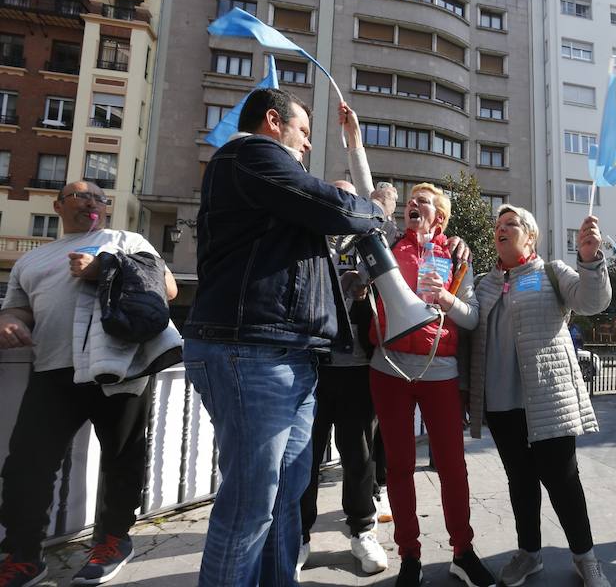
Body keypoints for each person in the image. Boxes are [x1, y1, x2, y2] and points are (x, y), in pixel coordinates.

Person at [182, 88, 394, 587]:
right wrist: (374, 211)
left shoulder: (264, 181)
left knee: (285, 497)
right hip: (250, 350)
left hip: (287, 355)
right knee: (251, 504)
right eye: (303, 133)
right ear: (274, 122)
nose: (305, 147)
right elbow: (336, 207)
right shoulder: (251, 153)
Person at [0, 180, 178, 586]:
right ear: (58, 205)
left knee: (121, 459)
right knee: (26, 465)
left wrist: (106, 269)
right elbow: (17, 307)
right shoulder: (32, 260)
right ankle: (24, 554)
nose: (93, 203)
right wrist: (9, 320)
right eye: (82, 196)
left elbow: (166, 289)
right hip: (52, 369)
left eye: (99, 197)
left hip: (117, 367)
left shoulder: (125, 239)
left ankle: (113, 540)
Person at [467, 205, 612, 587]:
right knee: (520, 481)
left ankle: (586, 558)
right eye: (498, 225)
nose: (501, 229)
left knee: (563, 481)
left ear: (530, 236)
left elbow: (592, 302)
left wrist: (588, 259)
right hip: (500, 404)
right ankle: (529, 553)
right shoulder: (484, 283)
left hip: (548, 399)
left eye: (510, 224)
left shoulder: (552, 272)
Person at [368, 183, 494, 587]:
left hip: (440, 370)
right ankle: (410, 556)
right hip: (388, 368)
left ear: (440, 216)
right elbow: (368, 210)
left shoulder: (456, 254)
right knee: (400, 467)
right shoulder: (389, 244)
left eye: (423, 201)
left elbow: (472, 318)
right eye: (411, 201)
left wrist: (448, 300)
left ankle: (463, 551)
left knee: (452, 467)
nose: (413, 205)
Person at [296, 115, 393, 575]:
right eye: (330, 196)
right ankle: (297, 535)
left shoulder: (370, 240)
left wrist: (354, 144)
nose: (338, 203)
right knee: (304, 457)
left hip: (356, 369)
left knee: (359, 455)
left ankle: (361, 530)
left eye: (344, 197)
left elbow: (374, 199)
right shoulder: (308, 239)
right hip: (310, 367)